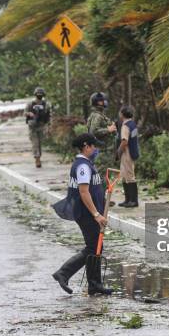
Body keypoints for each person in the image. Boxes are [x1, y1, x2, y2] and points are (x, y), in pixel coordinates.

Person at [51, 133, 113, 296]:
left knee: (96, 246)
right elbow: (84, 192)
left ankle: (94, 284)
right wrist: (96, 214)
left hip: (88, 212)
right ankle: (64, 273)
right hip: (86, 213)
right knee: (93, 246)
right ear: (86, 147)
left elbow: (91, 188)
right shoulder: (83, 167)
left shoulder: (86, 164)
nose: (96, 149)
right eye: (94, 146)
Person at [116, 106, 140, 207]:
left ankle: (133, 201)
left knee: (129, 176)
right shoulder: (133, 124)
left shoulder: (125, 126)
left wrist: (118, 152)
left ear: (122, 114)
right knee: (125, 175)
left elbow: (124, 141)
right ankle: (127, 200)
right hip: (133, 151)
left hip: (127, 153)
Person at [25, 87, 52, 168]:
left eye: (41, 94)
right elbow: (25, 112)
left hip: (41, 126)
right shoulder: (31, 103)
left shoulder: (46, 104)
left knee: (40, 143)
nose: (39, 96)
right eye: (38, 94)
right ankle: (37, 159)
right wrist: (29, 114)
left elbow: (49, 115)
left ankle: (38, 157)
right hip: (32, 126)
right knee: (35, 143)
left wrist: (49, 126)